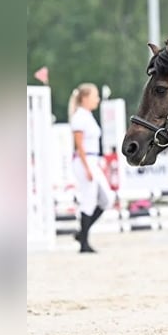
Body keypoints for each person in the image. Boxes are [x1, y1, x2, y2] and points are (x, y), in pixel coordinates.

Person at [68, 83, 114, 252]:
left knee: (107, 199)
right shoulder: (79, 116)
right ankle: (84, 243)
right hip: (84, 160)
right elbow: (79, 144)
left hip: (93, 161)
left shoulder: (87, 116)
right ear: (85, 98)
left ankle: (82, 233)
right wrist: (87, 167)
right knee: (88, 200)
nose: (98, 99)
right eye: (95, 96)